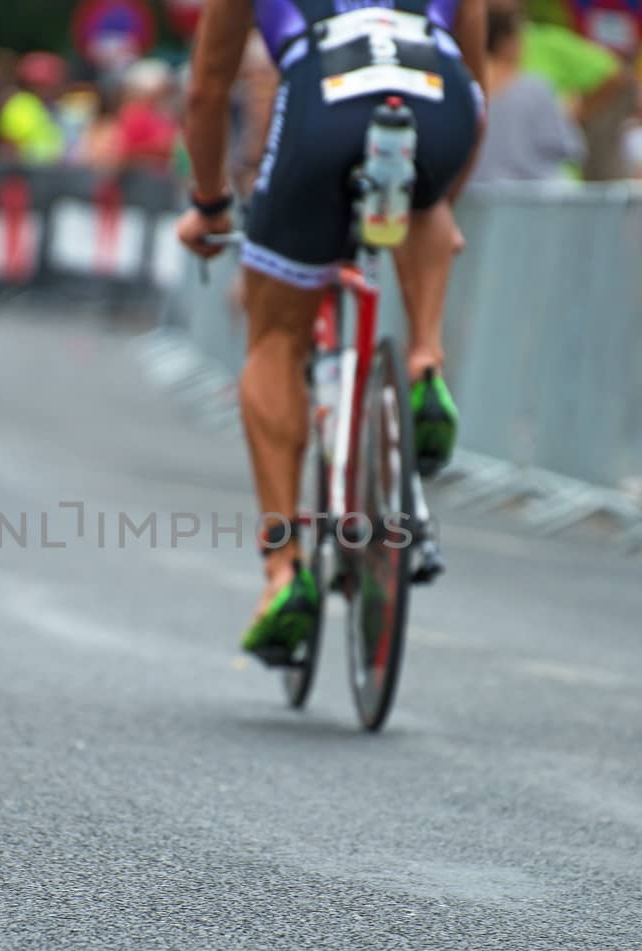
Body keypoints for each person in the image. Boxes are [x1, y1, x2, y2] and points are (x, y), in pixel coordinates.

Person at [177, 0, 486, 662]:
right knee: (426, 194)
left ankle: (283, 569)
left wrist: (208, 207)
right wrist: (440, 208)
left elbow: (206, 90)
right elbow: (478, 84)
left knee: (274, 339)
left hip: (326, 96)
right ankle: (427, 361)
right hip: (437, 96)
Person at [471, 0, 585, 185]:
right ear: (506, 41)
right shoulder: (535, 88)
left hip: (475, 196)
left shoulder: (467, 88)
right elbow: (566, 148)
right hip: (531, 202)